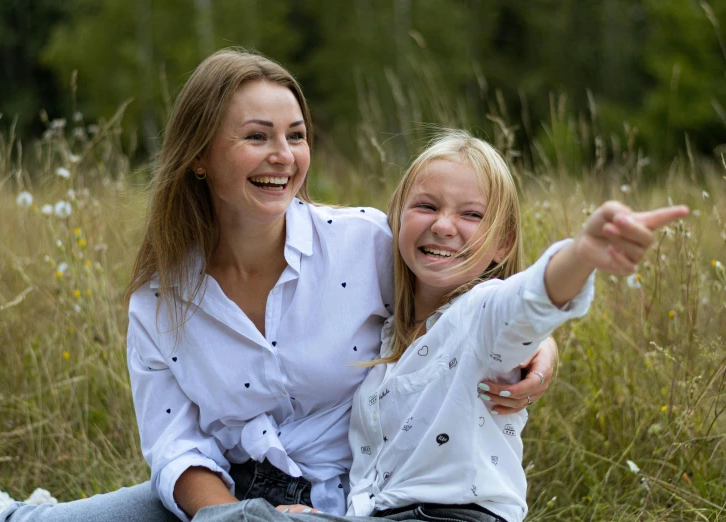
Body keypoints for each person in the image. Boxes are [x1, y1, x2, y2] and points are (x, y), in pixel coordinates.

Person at [0, 49, 556, 522]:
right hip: (223, 500)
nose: (283, 157)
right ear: (199, 157)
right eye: (257, 137)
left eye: (296, 135)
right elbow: (176, 448)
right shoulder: (159, 302)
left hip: (353, 501)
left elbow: (463, 302)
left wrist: (542, 350)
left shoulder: (364, 243)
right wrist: (232, 517)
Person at [192, 134, 687, 522]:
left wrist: (582, 253)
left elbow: (531, 300)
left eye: (472, 215)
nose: (445, 226)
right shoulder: (383, 331)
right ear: (398, 216)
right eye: (427, 206)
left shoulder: (483, 314)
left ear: (502, 242)